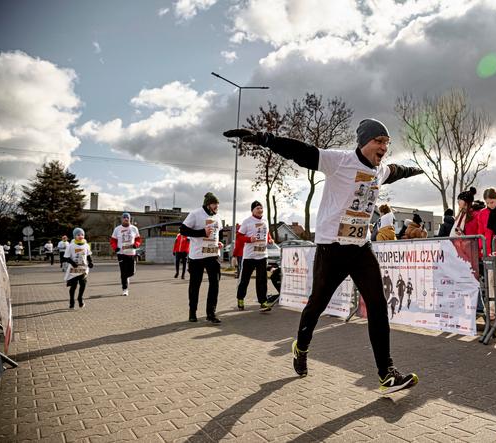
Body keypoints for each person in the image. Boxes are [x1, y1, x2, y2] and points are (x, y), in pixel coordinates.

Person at [224, 118, 422, 394]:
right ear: (364, 142)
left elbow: (397, 170)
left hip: (361, 248)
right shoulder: (338, 161)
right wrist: (264, 138)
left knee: (378, 305)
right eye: (379, 141)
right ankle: (301, 346)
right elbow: (301, 151)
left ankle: (386, 374)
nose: (384, 148)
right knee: (317, 304)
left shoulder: (380, 171)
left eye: (387, 143)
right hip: (332, 248)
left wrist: (416, 169)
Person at [180, 192, 223, 323]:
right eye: (214, 204)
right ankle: (192, 312)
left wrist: (219, 242)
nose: (217, 206)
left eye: (218, 204)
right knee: (195, 285)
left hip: (212, 254)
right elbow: (183, 230)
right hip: (197, 255)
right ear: (208, 204)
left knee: (215, 283)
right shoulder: (195, 214)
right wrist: (201, 232)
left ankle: (211, 313)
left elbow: (218, 233)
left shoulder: (218, 217)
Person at [236, 200, 275, 312]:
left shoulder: (265, 220)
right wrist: (249, 239)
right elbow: (239, 236)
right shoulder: (247, 221)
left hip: (262, 255)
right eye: (257, 208)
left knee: (262, 280)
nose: (260, 210)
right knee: (245, 279)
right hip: (250, 256)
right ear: (252, 210)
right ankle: (240, 298)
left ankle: (263, 301)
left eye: (261, 208)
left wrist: (270, 239)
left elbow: (266, 233)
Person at [110, 212, 142, 296]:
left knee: (132, 272)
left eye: (127, 218)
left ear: (130, 219)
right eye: (124, 218)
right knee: (123, 272)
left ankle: (126, 277)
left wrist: (136, 245)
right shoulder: (117, 229)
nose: (126, 219)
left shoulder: (134, 228)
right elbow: (113, 240)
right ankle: (125, 289)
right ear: (122, 219)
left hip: (131, 253)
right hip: (121, 253)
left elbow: (138, 239)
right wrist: (115, 248)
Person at [63, 228, 93, 309]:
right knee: (74, 286)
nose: (80, 236)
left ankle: (80, 298)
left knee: (83, 284)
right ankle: (71, 301)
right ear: (74, 236)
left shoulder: (86, 245)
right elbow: (66, 257)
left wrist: (90, 262)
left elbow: (88, 255)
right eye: (78, 235)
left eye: (82, 235)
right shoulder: (71, 245)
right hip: (74, 269)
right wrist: (73, 263)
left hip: (83, 268)